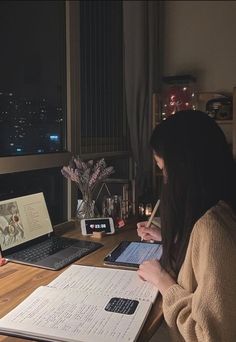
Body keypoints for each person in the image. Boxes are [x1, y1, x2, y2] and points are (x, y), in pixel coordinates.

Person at [137, 110, 236, 342]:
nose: (166, 181)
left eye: (164, 170)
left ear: (183, 168)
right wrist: (170, 238)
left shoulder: (212, 229)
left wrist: (163, 281)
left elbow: (211, 336)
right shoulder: (223, 208)